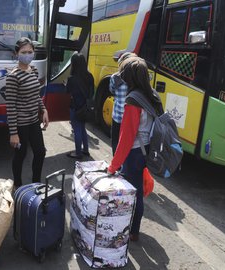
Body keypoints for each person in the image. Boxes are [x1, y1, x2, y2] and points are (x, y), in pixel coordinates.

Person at [107, 57, 164, 242]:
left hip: (134, 153)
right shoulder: (152, 94)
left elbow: (126, 138)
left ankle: (132, 231)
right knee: (138, 190)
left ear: (129, 78)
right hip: (147, 149)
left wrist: (113, 166)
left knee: (133, 193)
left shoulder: (133, 100)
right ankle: (134, 230)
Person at [5, 37, 49, 188]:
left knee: (40, 152)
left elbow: (36, 95)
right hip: (20, 125)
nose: (27, 54)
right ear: (16, 53)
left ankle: (36, 184)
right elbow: (10, 106)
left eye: (30, 52)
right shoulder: (13, 77)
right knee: (20, 155)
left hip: (33, 122)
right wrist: (13, 133)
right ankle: (18, 185)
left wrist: (43, 109)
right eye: (24, 52)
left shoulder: (34, 70)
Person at [66, 53, 94, 159]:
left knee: (77, 129)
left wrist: (66, 84)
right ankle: (85, 150)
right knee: (82, 128)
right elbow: (91, 93)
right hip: (85, 108)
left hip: (75, 107)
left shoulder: (72, 78)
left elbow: (67, 91)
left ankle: (78, 153)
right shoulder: (90, 76)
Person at [110, 52, 137, 155]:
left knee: (116, 141)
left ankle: (116, 164)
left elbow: (112, 90)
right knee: (129, 143)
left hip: (117, 116)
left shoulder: (115, 77)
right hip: (131, 118)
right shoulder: (137, 77)